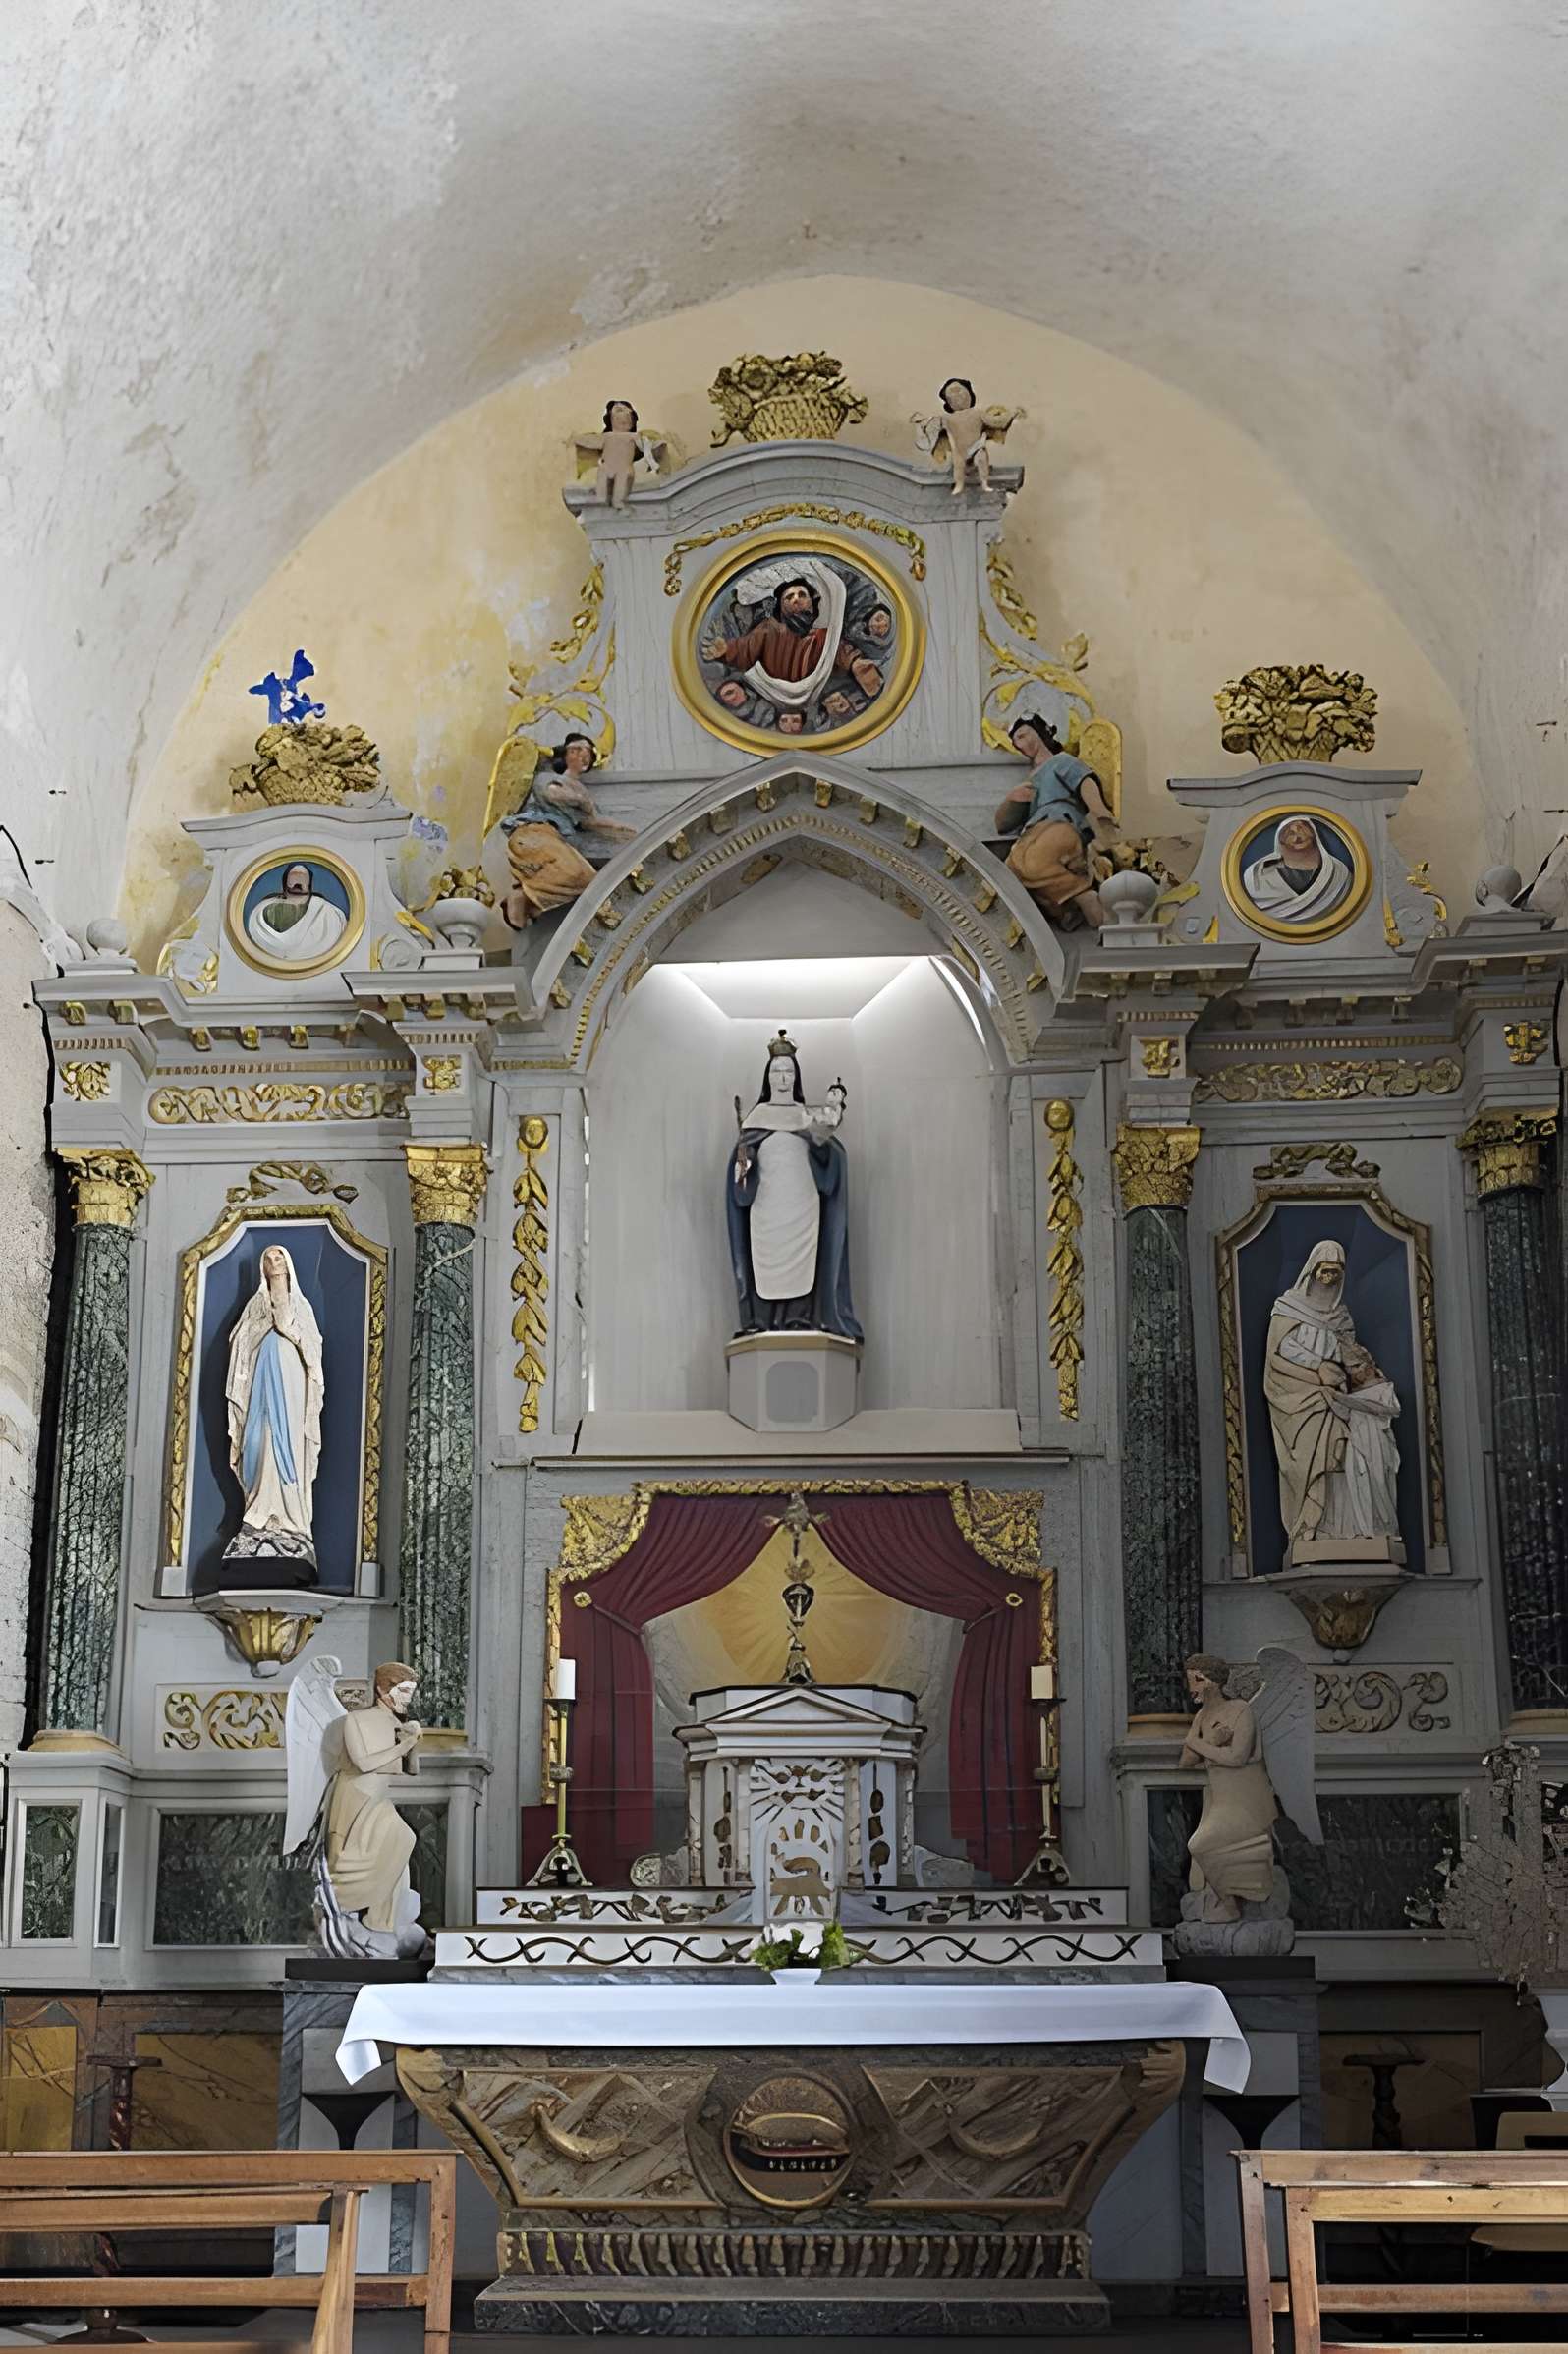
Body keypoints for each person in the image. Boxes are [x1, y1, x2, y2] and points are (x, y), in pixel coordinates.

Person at [1263, 1239, 1402, 1554]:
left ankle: (1349, 1529)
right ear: (1311, 1271)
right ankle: (1311, 1527)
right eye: (1324, 1272)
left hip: (1338, 1400)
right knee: (1311, 1463)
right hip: (1302, 1402)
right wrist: (1318, 1369)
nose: (1328, 1279)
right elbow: (1279, 1354)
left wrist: (1344, 1374)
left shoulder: (1341, 1317)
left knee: (1345, 1459)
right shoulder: (1287, 1310)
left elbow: (1352, 1359)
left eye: (1335, 1274)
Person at [726, 1034, 862, 1341]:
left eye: (788, 1071)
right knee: (764, 1262)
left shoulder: (805, 1117)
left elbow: (828, 1153)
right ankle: (763, 1319)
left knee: (803, 1259)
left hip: (802, 1203)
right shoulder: (755, 1120)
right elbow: (742, 1168)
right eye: (777, 1071)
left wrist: (826, 1148)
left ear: (796, 1077)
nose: (782, 1078)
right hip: (767, 1205)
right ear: (768, 1077)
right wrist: (742, 1168)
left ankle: (799, 1318)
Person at [223, 1243, 325, 1567]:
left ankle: (290, 1520)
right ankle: (257, 1513)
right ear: (262, 1269)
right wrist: (262, 1324)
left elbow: (312, 1349)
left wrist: (286, 1325)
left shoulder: (301, 1306)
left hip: (291, 1386)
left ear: (288, 1263)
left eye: (279, 1256)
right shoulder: (255, 1305)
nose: (273, 1261)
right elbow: (239, 1344)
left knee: (288, 1444)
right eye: (268, 1258)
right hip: (260, 1389)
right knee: (258, 1441)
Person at [499, 734, 634, 930]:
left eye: (588, 752)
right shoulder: (548, 778)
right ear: (565, 755)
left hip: (552, 839)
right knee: (576, 872)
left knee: (588, 879)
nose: (583, 756)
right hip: (534, 834)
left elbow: (590, 821)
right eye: (576, 750)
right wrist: (579, 800)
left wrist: (621, 829)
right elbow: (552, 793)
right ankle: (522, 896)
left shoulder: (580, 790)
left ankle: (531, 902)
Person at [1180, 1654, 1278, 1924]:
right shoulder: (1202, 1716)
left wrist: (1197, 1743)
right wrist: (1210, 1740)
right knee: (1201, 1855)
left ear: (1210, 1681)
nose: (1191, 1689)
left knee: (1199, 1845)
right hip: (1220, 1800)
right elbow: (1186, 1761)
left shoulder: (1240, 1711)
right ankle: (1228, 1899)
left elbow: (1236, 1757)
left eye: (1195, 1682)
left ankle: (1230, 1905)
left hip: (1244, 1800)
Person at [323, 1663, 421, 1933]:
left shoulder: (396, 1724)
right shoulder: (356, 1720)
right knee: (395, 1841)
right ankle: (343, 1907)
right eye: (403, 1691)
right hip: (356, 1796)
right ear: (382, 1688)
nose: (407, 1698)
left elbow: (411, 1770)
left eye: (410, 1692)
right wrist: (403, 1745)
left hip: (378, 1798)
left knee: (400, 1846)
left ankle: (382, 1920)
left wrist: (412, 1742)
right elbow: (364, 1763)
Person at [994, 712, 1115, 927]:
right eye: (1016, 742)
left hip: (1060, 822)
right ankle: (1064, 909)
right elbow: (1003, 825)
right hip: (1034, 831)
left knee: (1032, 863)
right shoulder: (1030, 779)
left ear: (1040, 733)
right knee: (1012, 870)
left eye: (1022, 735)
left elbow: (1084, 782)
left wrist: (1101, 812)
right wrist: (1011, 801)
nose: (1020, 745)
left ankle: (1082, 896)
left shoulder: (1061, 761)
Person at [1243, 814, 1352, 924]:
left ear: (1314, 833)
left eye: (1301, 827)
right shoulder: (1258, 875)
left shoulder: (1338, 872)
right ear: (1280, 840)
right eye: (1288, 831)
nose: (1296, 833)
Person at [245, 861, 349, 963]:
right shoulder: (264, 910)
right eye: (295, 876)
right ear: (284, 885)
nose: (297, 883)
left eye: (301, 877)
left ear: (310, 885)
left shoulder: (328, 911)